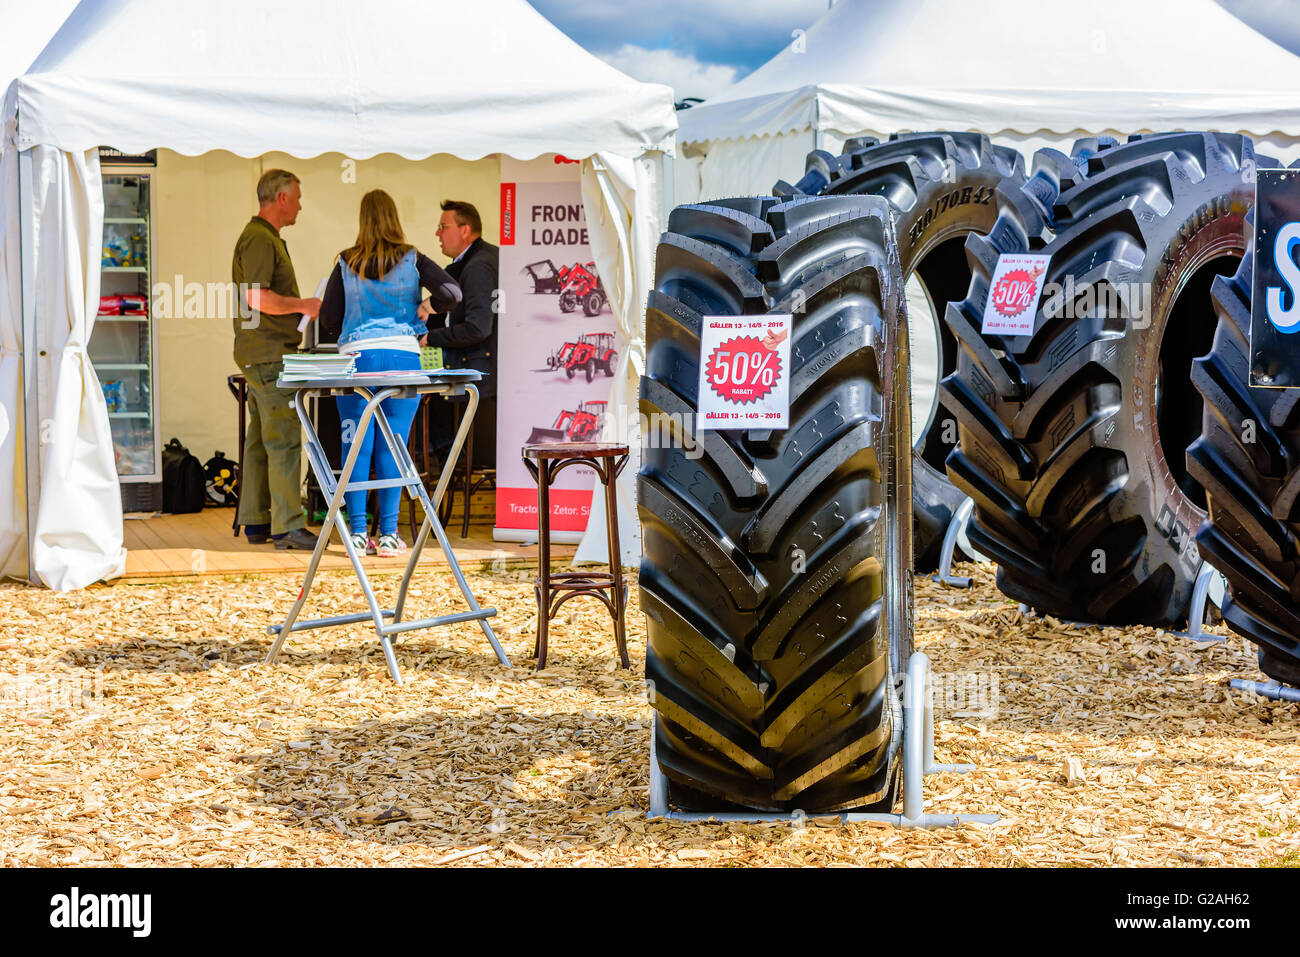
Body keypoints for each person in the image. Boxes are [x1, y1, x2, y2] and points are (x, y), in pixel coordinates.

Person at [319, 189, 462, 557]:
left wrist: (350, 330)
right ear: (394, 217)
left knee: (356, 446)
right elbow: (452, 292)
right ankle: (387, 535)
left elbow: (328, 319)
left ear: (362, 220)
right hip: (402, 359)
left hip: (357, 360)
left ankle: (355, 533)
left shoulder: (345, 261)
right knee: (394, 445)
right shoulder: (413, 258)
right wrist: (426, 304)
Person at [231, 169, 321, 549]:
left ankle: (256, 521)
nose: (300, 205)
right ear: (281, 198)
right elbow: (256, 296)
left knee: (259, 440)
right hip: (270, 354)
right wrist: (304, 305)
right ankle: (287, 526)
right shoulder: (260, 239)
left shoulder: (260, 237)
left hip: (258, 354)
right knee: (283, 439)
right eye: (297, 197)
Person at [422, 200, 498, 465]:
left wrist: (430, 338)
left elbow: (478, 326)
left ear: (465, 230)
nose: (437, 233)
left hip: (481, 381)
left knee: (479, 465)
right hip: (483, 377)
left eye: (443, 227)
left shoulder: (478, 266)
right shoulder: (482, 259)